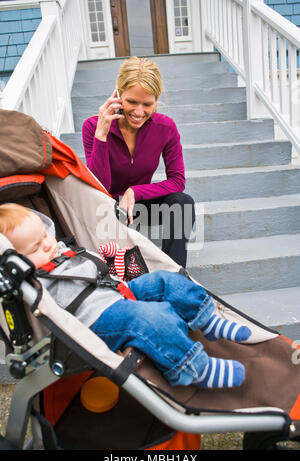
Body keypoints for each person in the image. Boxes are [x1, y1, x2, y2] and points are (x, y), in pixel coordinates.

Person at [0, 203, 251, 389]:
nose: (47, 244)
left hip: (115, 291)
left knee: (165, 280)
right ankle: (193, 368)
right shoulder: (36, 282)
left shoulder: (60, 250)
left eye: (45, 235)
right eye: (35, 247)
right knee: (152, 317)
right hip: (97, 322)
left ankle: (206, 318)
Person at [82, 56, 195, 268]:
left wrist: (135, 191)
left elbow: (177, 181)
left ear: (156, 100)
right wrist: (102, 134)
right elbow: (100, 186)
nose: (139, 112)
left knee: (183, 203)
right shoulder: (92, 127)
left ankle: (174, 272)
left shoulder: (166, 127)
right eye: (132, 102)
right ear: (117, 94)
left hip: (138, 209)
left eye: (147, 104)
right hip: (106, 210)